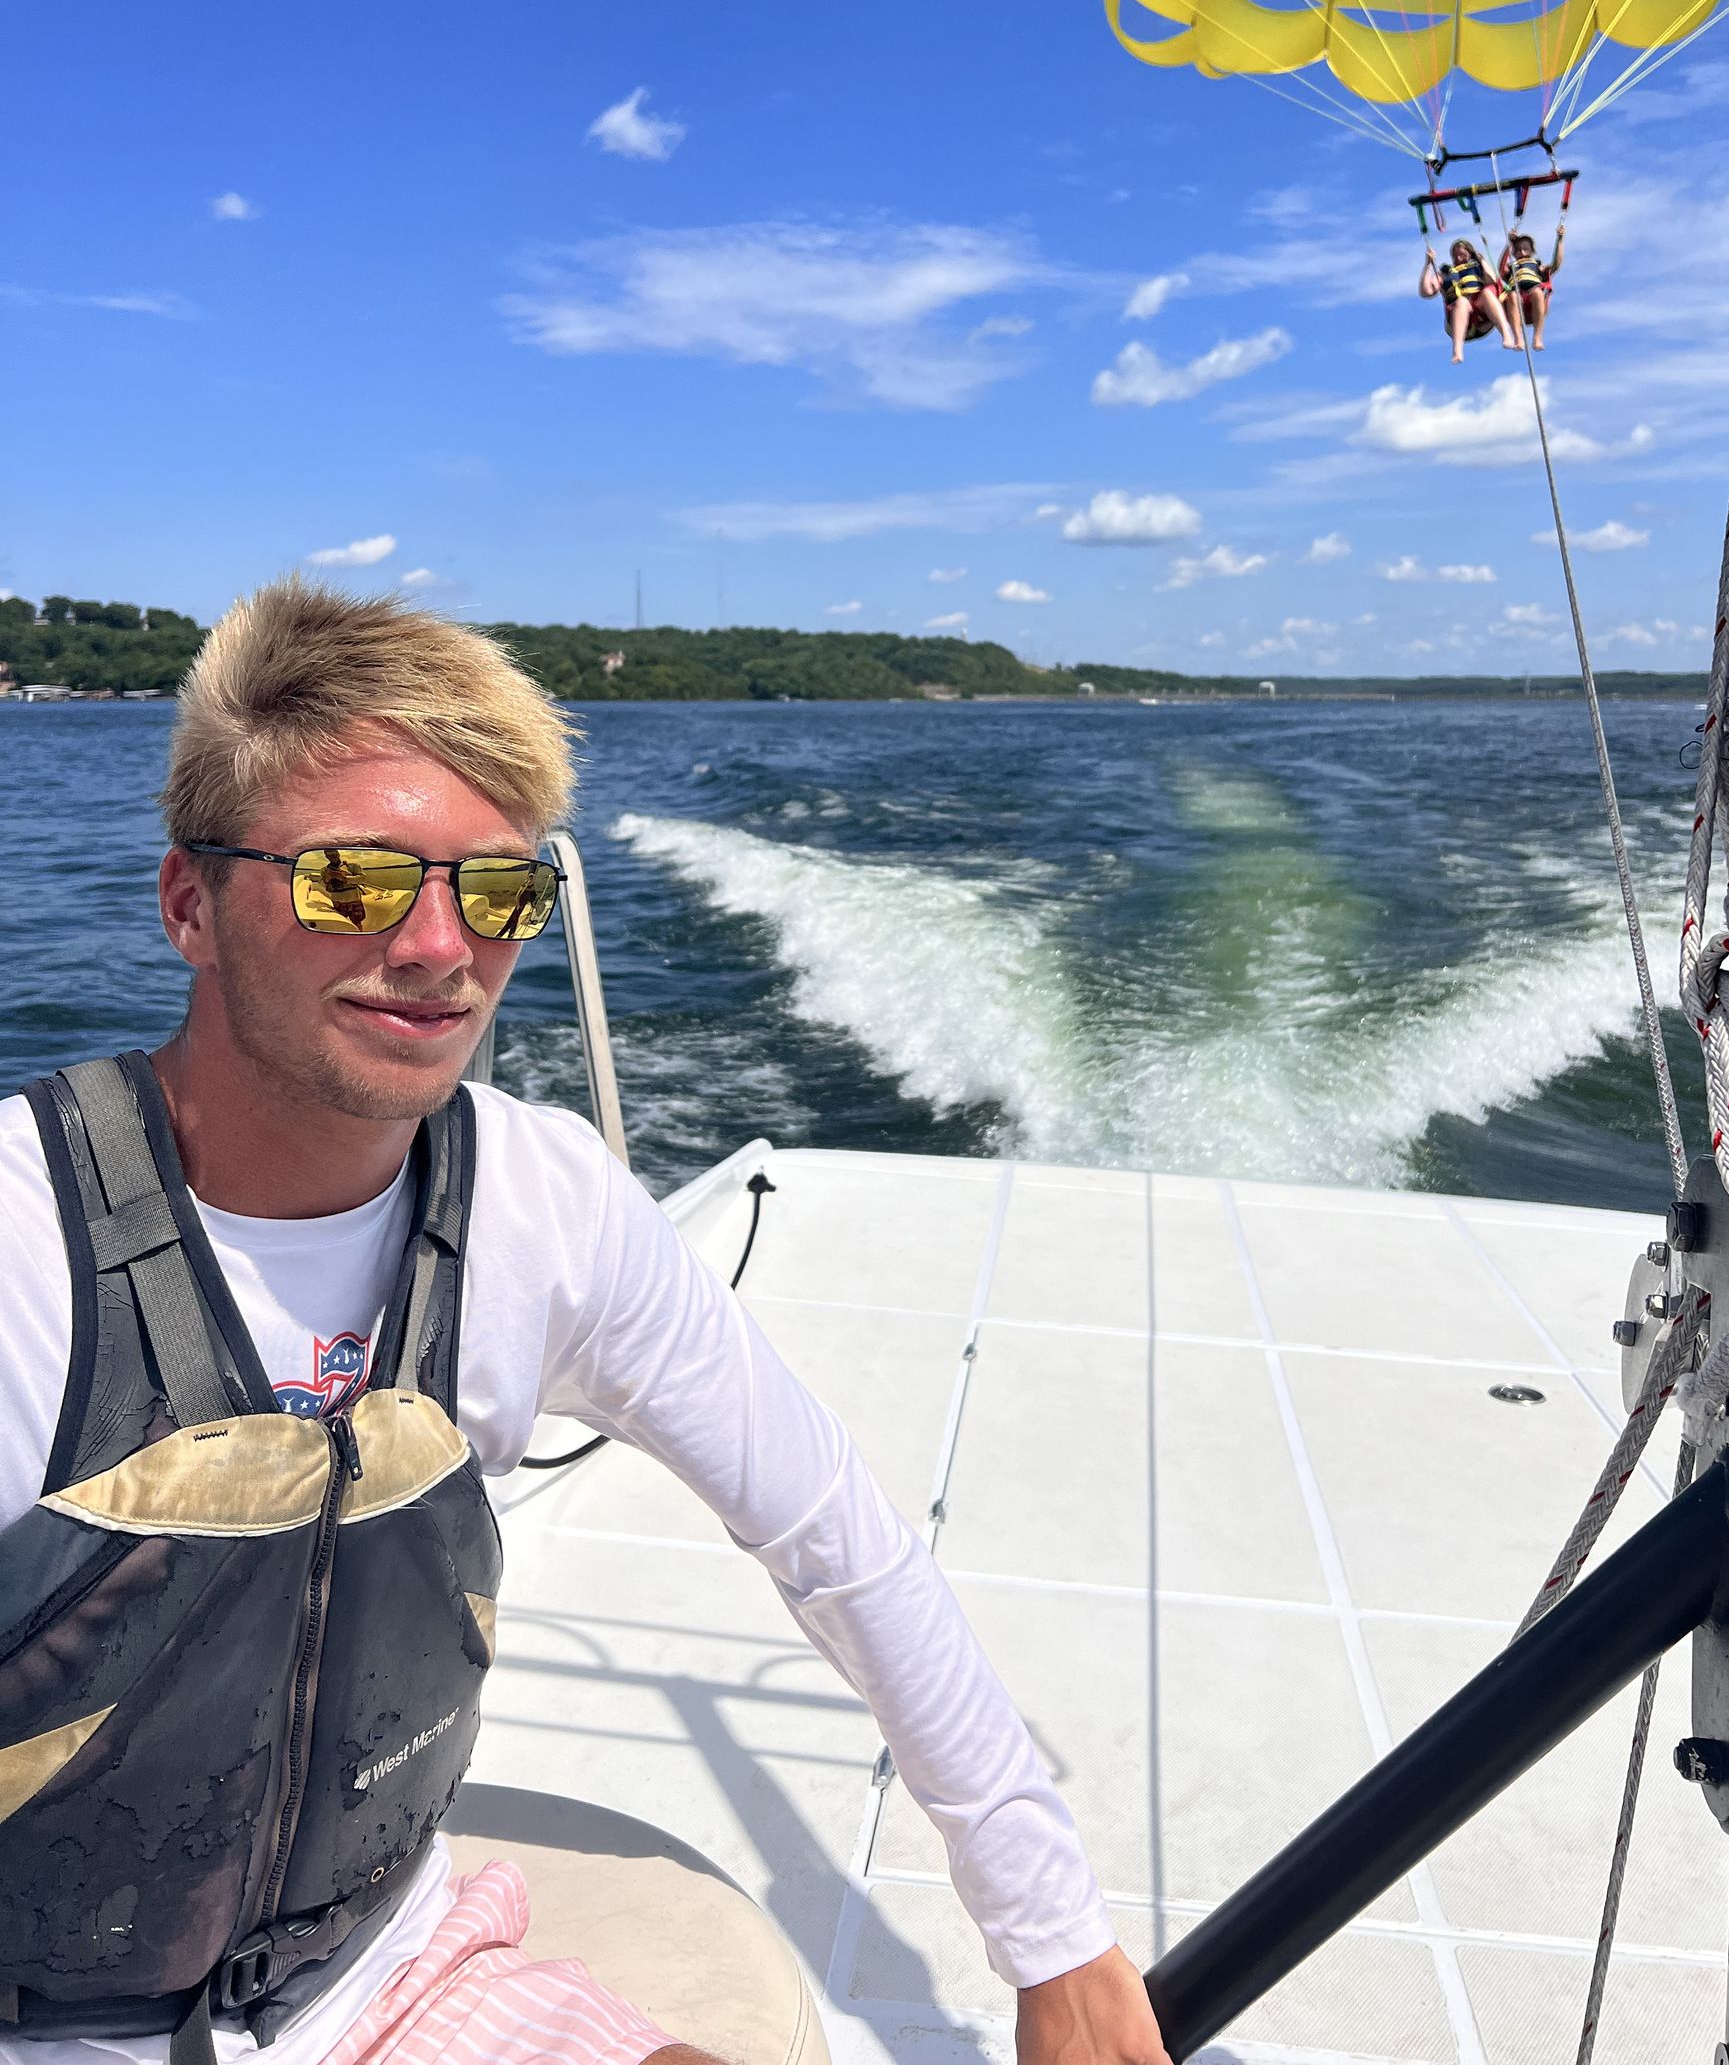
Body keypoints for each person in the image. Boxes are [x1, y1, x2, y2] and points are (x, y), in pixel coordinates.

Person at [0, 581, 1167, 2065]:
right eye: (352, 881)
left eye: (496, 893)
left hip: (389, 1977)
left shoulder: (542, 1204)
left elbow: (835, 1534)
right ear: (191, 903)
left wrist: (1054, 1938)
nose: (439, 946)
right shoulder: (24, 1252)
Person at [1418, 236, 1519, 363]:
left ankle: (1506, 335)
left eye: (1462, 254)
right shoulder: (1445, 272)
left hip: (1483, 319)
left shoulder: (1478, 267)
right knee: (1462, 302)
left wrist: (1481, 260)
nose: (1458, 258)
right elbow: (1426, 292)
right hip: (1458, 320)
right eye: (1455, 255)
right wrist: (1428, 265)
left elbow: (1492, 281)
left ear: (1470, 253)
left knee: (1487, 293)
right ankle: (1457, 351)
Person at [1499, 225, 1565, 352]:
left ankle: (1537, 337)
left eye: (1525, 249)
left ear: (1531, 251)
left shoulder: (1537, 265)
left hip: (1533, 292)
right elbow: (1501, 268)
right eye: (1518, 250)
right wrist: (1509, 244)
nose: (1522, 253)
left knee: (1537, 293)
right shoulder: (1512, 266)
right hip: (1516, 293)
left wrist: (1560, 239)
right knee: (1512, 296)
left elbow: (1555, 265)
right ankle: (1518, 339)